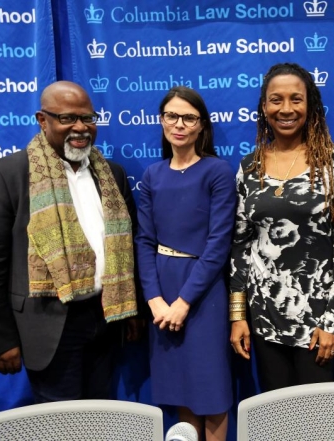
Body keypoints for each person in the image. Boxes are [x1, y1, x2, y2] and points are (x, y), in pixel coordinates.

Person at [0, 81, 141, 403]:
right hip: (47, 325)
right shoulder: (7, 175)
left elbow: (126, 249)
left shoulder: (111, 174)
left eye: (88, 118)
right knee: (60, 424)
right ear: (42, 120)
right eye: (67, 118)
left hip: (105, 318)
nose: (80, 128)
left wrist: (131, 310)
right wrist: (0, 339)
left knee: (103, 415)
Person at [229, 62, 334, 391]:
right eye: (276, 100)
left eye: (296, 99)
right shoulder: (249, 167)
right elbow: (241, 246)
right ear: (264, 107)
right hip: (264, 317)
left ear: (310, 105)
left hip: (316, 321)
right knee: (276, 418)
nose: (286, 109)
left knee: (315, 421)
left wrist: (331, 322)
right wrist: (238, 314)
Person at [135, 86, 235, 441]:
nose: (179, 124)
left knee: (211, 388)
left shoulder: (217, 171)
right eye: (171, 116)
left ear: (201, 126)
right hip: (162, 290)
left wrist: (183, 302)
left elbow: (218, 244)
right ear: (162, 121)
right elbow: (144, 241)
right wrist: (155, 301)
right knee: (179, 387)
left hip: (203, 292)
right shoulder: (152, 175)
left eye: (188, 117)